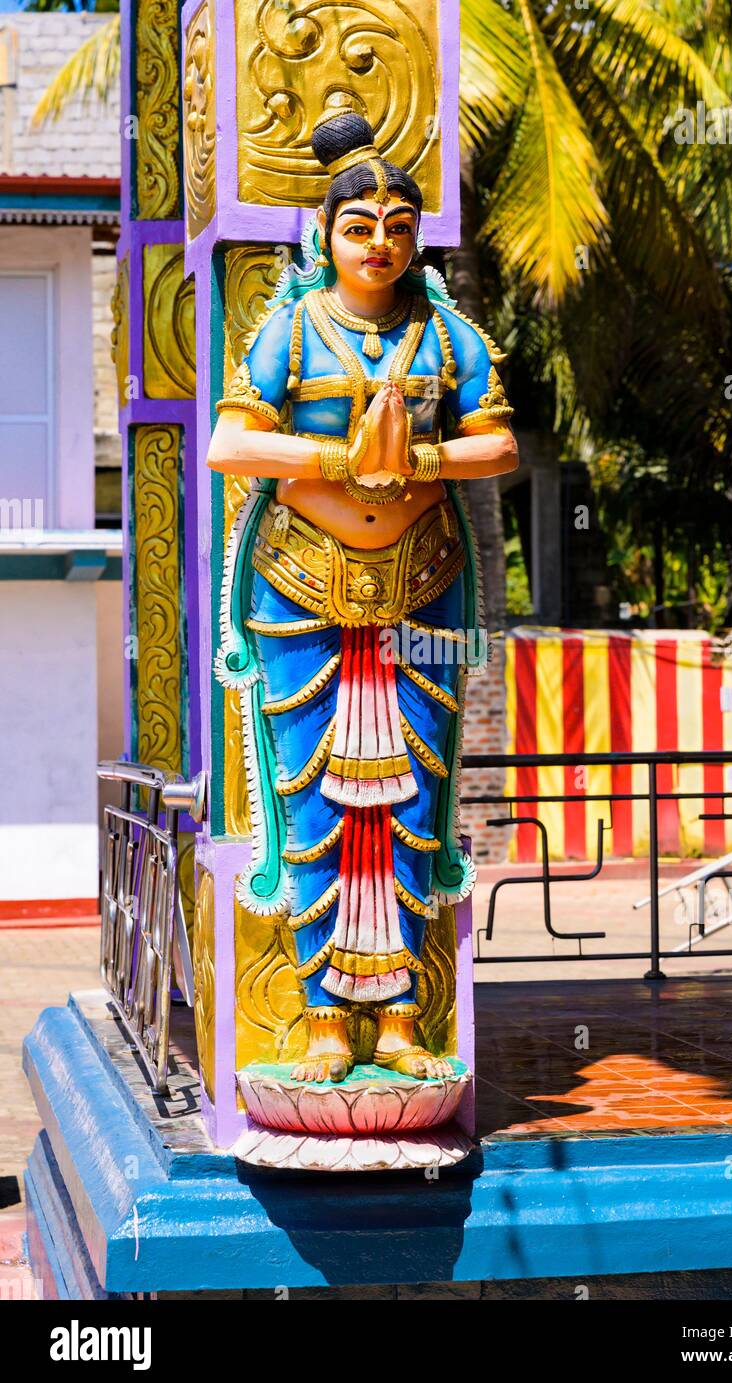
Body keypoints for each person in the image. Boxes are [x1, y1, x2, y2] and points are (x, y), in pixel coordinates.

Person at [208, 108, 518, 1084]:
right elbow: (229, 444)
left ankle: (395, 1019)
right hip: (301, 589)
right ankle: (319, 1017)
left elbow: (499, 445)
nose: (378, 244)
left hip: (419, 590)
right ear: (324, 235)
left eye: (395, 225)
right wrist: (342, 456)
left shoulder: (443, 331)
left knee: (409, 809)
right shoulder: (292, 329)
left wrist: (417, 455)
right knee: (317, 810)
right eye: (358, 227)